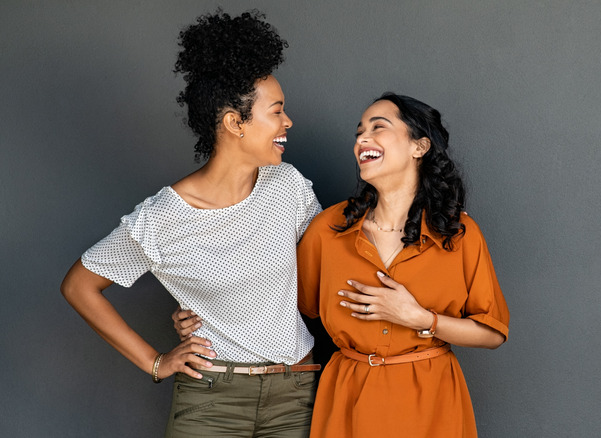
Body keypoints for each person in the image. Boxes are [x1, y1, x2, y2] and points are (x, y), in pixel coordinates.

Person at [176, 93, 510, 437]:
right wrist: (202, 312)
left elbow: (493, 333)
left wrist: (420, 319)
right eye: (359, 132)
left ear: (419, 146)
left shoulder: (459, 234)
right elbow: (282, 302)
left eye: (378, 128)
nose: (362, 139)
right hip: (348, 400)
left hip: (432, 401)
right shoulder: (328, 230)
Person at [60, 10, 322, 437]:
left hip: (297, 393)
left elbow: (328, 266)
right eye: (276, 111)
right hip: (211, 402)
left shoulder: (287, 186)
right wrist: (155, 362)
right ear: (235, 123)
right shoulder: (162, 218)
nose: (287, 122)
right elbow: (79, 287)